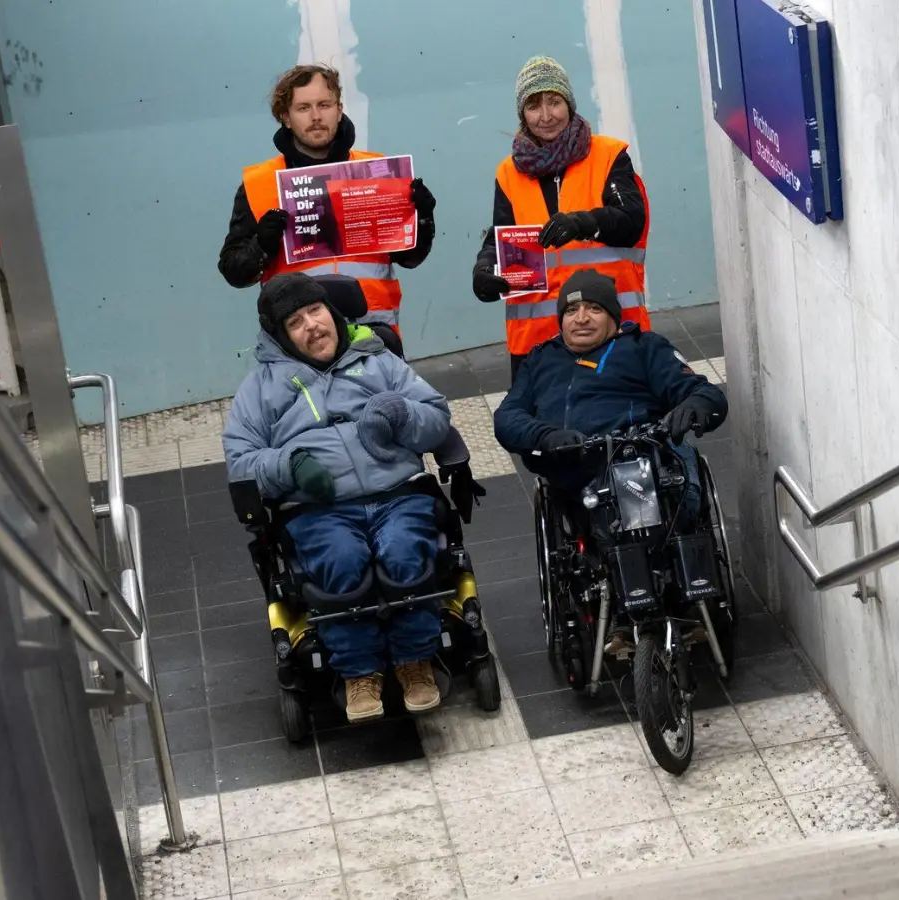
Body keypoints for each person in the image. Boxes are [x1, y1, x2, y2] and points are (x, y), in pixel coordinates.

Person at [223, 273, 476, 721]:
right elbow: (241, 461)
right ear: (281, 335)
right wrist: (289, 466)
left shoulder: (378, 360)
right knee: (340, 561)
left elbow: (437, 418)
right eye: (296, 322)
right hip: (317, 507)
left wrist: (401, 411)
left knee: (404, 552)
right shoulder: (259, 389)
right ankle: (360, 673)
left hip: (398, 491)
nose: (312, 326)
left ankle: (414, 661)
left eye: (316, 312)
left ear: (332, 312)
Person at [219, 64, 436, 355]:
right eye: (303, 107)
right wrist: (261, 246)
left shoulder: (377, 172)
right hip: (300, 344)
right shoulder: (259, 185)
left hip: (374, 337)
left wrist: (422, 219)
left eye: (324, 104)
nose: (316, 116)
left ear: (339, 108)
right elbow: (233, 271)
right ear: (285, 117)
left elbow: (410, 258)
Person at [493, 269, 725, 533]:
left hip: (639, 459)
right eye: (571, 311)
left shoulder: (643, 347)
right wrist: (546, 436)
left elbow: (703, 392)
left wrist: (696, 406)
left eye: (594, 308)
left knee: (678, 488)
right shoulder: (540, 360)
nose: (581, 319)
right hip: (572, 468)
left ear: (613, 316)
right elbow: (507, 417)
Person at [471, 56, 653, 378]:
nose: (545, 116)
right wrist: (485, 268)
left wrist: (582, 223)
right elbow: (502, 235)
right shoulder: (508, 173)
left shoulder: (608, 156)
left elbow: (631, 221)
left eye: (554, 102)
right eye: (533, 106)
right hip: (538, 344)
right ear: (521, 114)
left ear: (569, 103)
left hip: (610, 330)